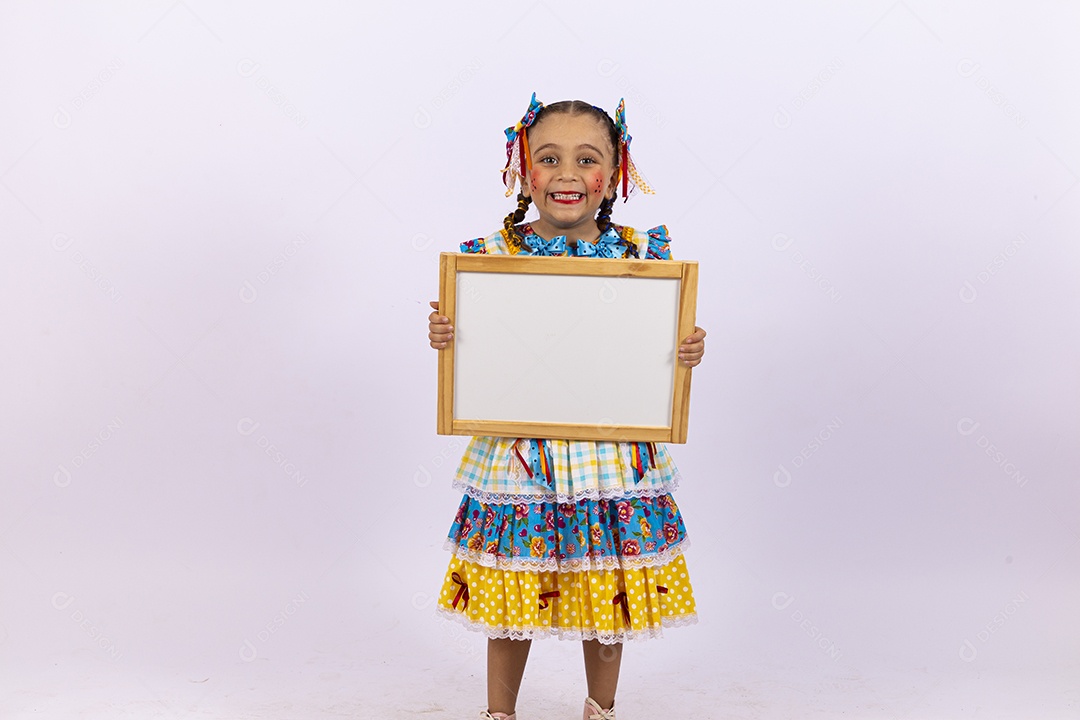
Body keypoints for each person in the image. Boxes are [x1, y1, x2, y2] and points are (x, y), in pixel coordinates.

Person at [426, 93, 707, 720]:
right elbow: (473, 343)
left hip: (611, 456)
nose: (567, 174)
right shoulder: (489, 259)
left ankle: (599, 710)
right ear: (525, 171)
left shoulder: (643, 259)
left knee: (603, 587)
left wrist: (682, 350)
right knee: (514, 585)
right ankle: (500, 714)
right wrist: (449, 334)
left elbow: (655, 346)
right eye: (548, 158)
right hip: (519, 455)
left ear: (615, 173)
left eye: (587, 159)